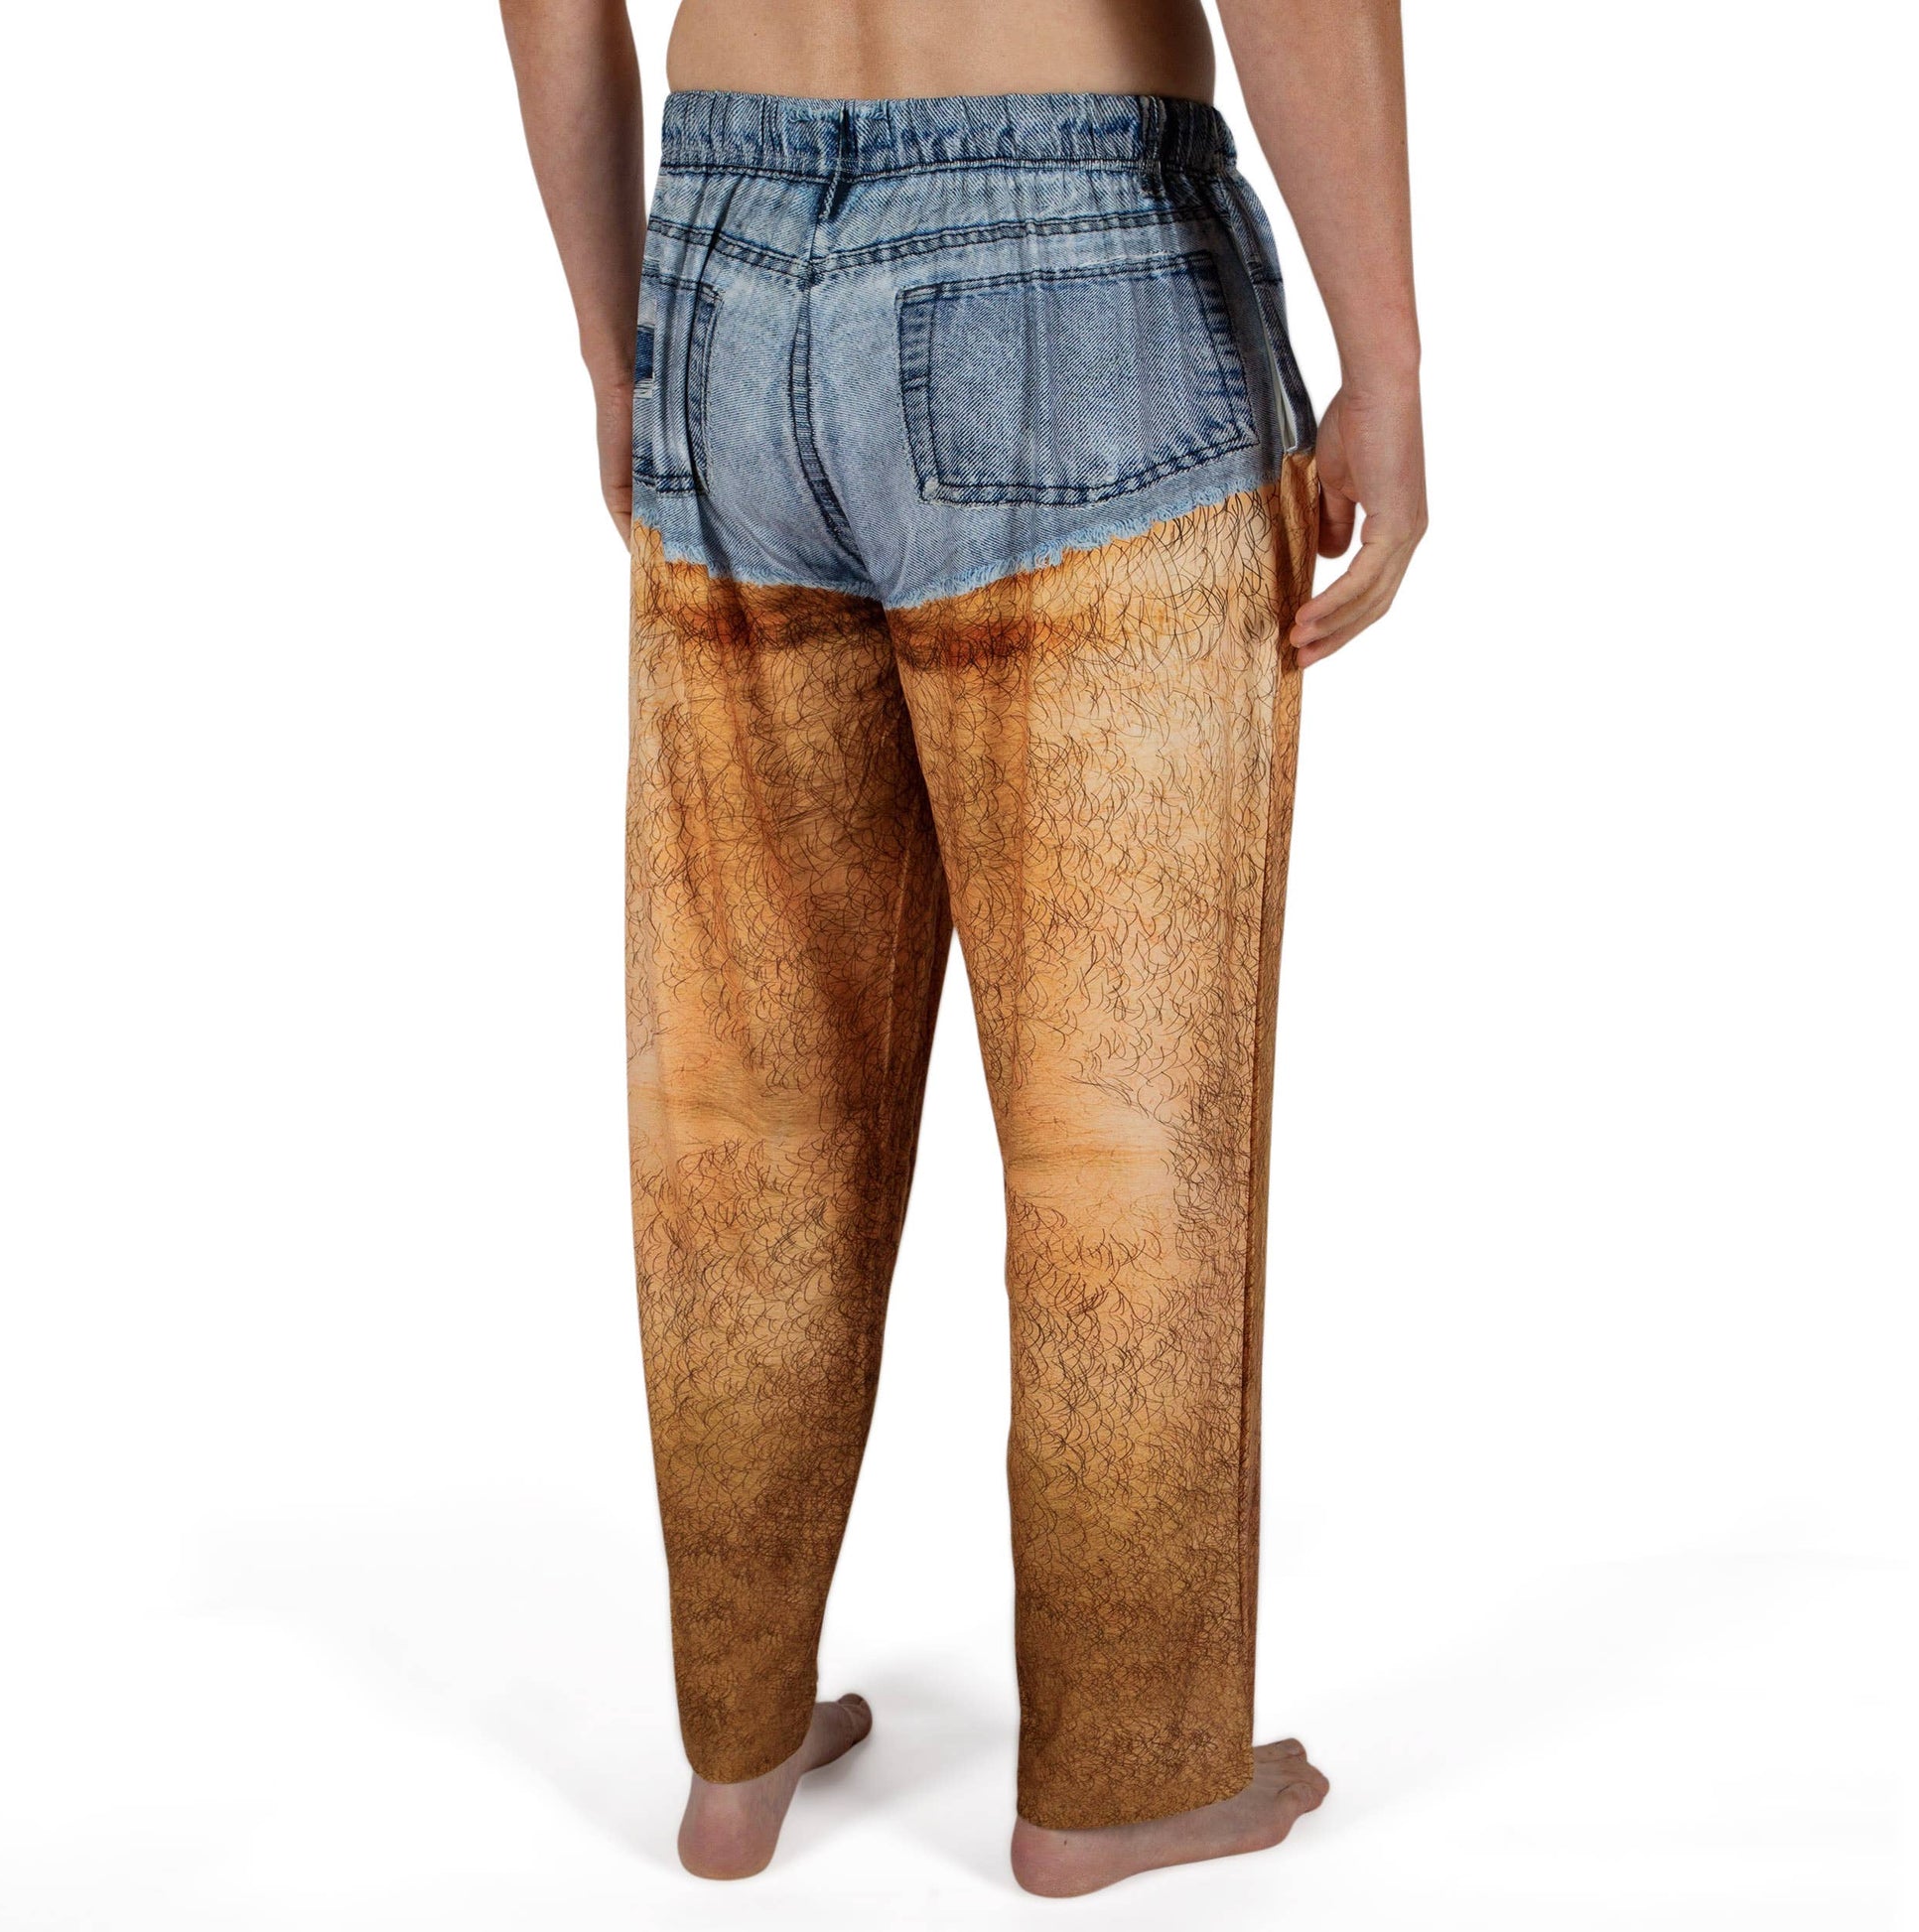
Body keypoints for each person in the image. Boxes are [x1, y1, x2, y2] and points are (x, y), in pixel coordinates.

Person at [497, 0, 1424, 1896]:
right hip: (1077, 254)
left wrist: (616, 343)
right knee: (1120, 1117)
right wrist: (1387, 360)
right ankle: (1118, 1779)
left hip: (722, 259)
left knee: (742, 1100)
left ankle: (734, 1754)